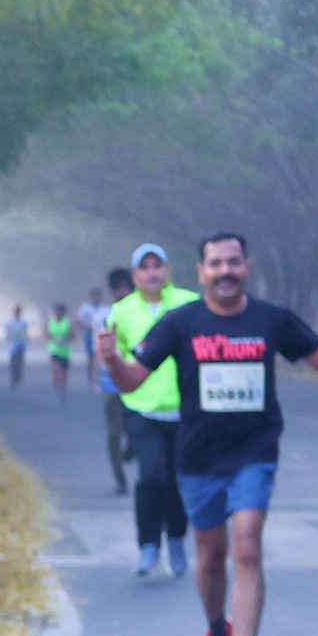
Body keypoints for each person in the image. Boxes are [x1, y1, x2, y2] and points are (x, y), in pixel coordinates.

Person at [97, 232, 318, 636]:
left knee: (247, 549)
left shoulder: (271, 318)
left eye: (234, 262)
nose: (226, 271)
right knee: (210, 558)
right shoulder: (180, 323)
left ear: (246, 268)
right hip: (198, 458)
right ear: (201, 273)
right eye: (216, 264)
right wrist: (112, 362)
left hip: (254, 452)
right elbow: (132, 380)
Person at [108, 245, 201, 579]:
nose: (152, 273)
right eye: (144, 267)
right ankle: (149, 545)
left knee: (177, 480)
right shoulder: (121, 312)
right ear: (135, 276)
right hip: (141, 408)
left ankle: (176, 539)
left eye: (157, 265)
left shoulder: (191, 304)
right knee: (151, 476)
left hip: (184, 410)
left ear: (168, 271)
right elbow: (116, 359)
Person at [88, 274, 132, 496]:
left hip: (137, 382)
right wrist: (96, 378)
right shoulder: (101, 317)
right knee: (114, 434)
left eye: (125, 288)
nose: (121, 292)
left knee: (135, 432)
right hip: (111, 382)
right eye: (117, 288)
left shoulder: (142, 314)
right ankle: (120, 479)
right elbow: (98, 350)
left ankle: (129, 452)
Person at [45, 302, 75, 403]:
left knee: (64, 373)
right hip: (54, 350)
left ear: (63, 312)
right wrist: (53, 339)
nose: (58, 313)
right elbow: (47, 334)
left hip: (65, 352)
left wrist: (65, 338)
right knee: (56, 369)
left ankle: (63, 390)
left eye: (60, 311)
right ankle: (57, 386)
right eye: (56, 311)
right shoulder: (51, 322)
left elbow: (73, 336)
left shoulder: (67, 323)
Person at [5, 306, 30, 387]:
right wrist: (9, 340)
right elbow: (7, 334)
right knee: (13, 362)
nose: (17, 313)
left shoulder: (23, 323)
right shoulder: (10, 323)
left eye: (18, 311)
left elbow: (25, 333)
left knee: (20, 361)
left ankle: (19, 376)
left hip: (21, 344)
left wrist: (26, 341)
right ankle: (13, 377)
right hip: (13, 345)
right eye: (16, 311)